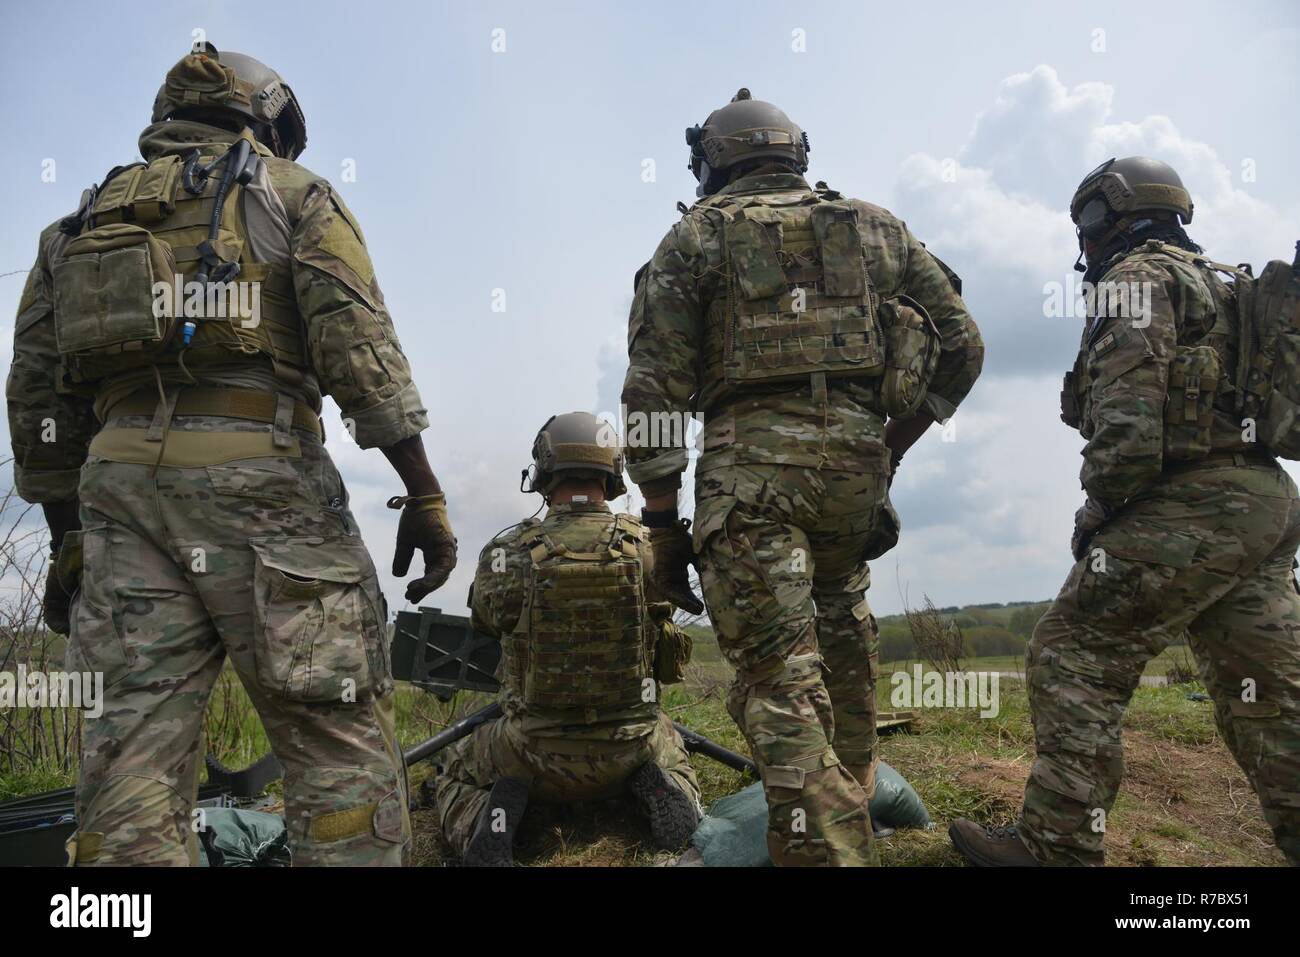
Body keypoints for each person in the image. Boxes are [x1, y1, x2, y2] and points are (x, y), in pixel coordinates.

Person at [6, 43, 457, 865]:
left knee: (126, 774)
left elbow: (37, 406)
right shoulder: (295, 195)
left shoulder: (71, 228)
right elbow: (362, 356)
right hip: (266, 484)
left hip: (119, 498)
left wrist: (70, 534)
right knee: (337, 748)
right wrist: (423, 494)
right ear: (267, 118)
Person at [621, 89, 984, 865]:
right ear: (796, 153)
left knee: (779, 687)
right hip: (855, 478)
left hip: (752, 483)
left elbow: (653, 391)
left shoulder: (694, 238)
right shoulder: (876, 228)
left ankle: (826, 853)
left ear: (713, 161)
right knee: (845, 649)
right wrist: (892, 444)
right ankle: (854, 801)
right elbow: (963, 346)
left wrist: (659, 521)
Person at [949, 156, 1300, 866]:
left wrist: (1097, 510)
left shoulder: (1135, 281)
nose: (1082, 243)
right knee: (1269, 693)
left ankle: (1056, 848)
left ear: (1103, 217)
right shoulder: (1232, 286)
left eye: (1084, 225)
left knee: (1072, 653)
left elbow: (1130, 429)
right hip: (1264, 503)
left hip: (1190, 505)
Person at [431, 412, 702, 866]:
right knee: (671, 747)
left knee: (454, 766)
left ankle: (486, 820)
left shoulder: (507, 551)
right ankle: (669, 787)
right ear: (612, 470)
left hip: (528, 755)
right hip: (630, 747)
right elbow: (663, 614)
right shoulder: (648, 548)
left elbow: (485, 621)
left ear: (542, 470)